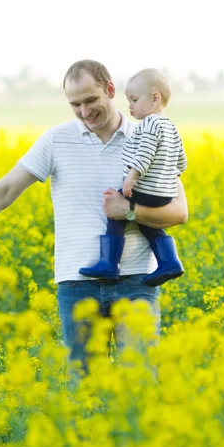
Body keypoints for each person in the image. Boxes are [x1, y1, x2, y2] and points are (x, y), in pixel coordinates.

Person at [0, 60, 188, 371]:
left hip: (135, 282)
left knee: (141, 385)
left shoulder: (147, 133)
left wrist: (128, 212)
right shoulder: (56, 140)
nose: (84, 111)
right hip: (77, 284)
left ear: (110, 90)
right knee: (86, 391)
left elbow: (178, 212)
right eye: (75, 104)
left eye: (91, 100)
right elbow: (7, 189)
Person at [79, 68, 187, 286]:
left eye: (135, 100)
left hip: (145, 189)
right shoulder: (171, 126)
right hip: (163, 193)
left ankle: (109, 263)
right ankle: (170, 262)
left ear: (155, 99)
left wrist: (132, 176)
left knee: (116, 210)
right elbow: (181, 160)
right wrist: (168, 175)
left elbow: (145, 152)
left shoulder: (150, 123)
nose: (130, 106)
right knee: (149, 224)